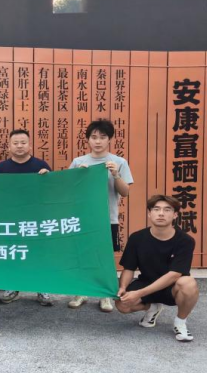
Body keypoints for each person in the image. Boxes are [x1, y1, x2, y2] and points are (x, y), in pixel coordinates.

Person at [68, 119, 134, 312]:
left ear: (110, 139)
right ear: (88, 140)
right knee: (82, 255)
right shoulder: (79, 162)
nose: (98, 141)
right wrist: (78, 177)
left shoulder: (119, 162)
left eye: (103, 137)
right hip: (82, 218)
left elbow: (125, 192)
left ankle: (105, 295)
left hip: (107, 218)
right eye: (94, 137)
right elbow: (68, 191)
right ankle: (81, 292)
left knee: (105, 257)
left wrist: (116, 174)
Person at [0, 129, 53, 306]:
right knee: (12, 253)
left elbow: (52, 191)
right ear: (9, 146)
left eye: (23, 142)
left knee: (38, 254)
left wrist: (48, 178)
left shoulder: (41, 166)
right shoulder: (1, 168)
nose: (19, 146)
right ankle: (12, 288)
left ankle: (42, 288)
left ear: (30, 145)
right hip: (10, 220)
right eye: (15, 143)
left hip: (36, 219)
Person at [115, 195, 199, 342]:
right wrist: (122, 287)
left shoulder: (185, 241)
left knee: (188, 283)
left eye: (167, 210)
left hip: (171, 287)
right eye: (156, 209)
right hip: (146, 282)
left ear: (175, 215)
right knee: (122, 305)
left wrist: (138, 293)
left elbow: (174, 275)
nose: (161, 213)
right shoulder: (137, 238)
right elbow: (128, 268)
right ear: (149, 213)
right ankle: (151, 308)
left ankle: (180, 322)